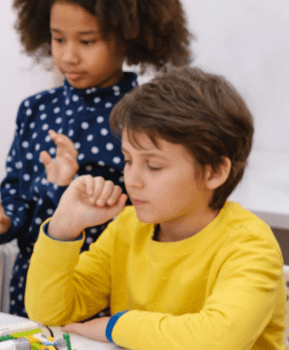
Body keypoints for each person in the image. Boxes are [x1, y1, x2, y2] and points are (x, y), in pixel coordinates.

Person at [0, 0, 191, 316]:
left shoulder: (146, 115)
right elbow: (18, 199)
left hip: (109, 291)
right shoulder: (35, 110)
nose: (69, 56)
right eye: (58, 39)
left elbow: (153, 212)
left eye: (87, 41)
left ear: (128, 34)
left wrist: (72, 184)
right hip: (34, 288)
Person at [26, 67, 285, 349]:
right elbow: (50, 313)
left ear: (214, 171)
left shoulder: (251, 245)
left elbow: (216, 340)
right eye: (127, 160)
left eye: (153, 165)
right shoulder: (128, 227)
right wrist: (62, 229)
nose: (132, 180)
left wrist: (115, 326)